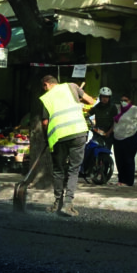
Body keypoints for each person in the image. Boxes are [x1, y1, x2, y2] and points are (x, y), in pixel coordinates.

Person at [39, 75, 96, 216]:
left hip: (58, 137)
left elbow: (45, 123)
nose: (44, 90)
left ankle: (58, 203)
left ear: (46, 84)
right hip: (78, 132)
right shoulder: (72, 86)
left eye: (44, 88)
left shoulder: (46, 98)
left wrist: (47, 138)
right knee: (73, 169)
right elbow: (92, 102)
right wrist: (80, 103)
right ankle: (68, 204)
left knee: (58, 170)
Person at [112, 95, 137, 187]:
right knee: (119, 160)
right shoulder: (117, 108)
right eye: (122, 100)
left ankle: (128, 181)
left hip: (130, 137)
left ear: (130, 100)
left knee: (128, 159)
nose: (123, 102)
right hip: (118, 137)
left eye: (125, 100)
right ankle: (121, 180)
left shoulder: (135, 109)